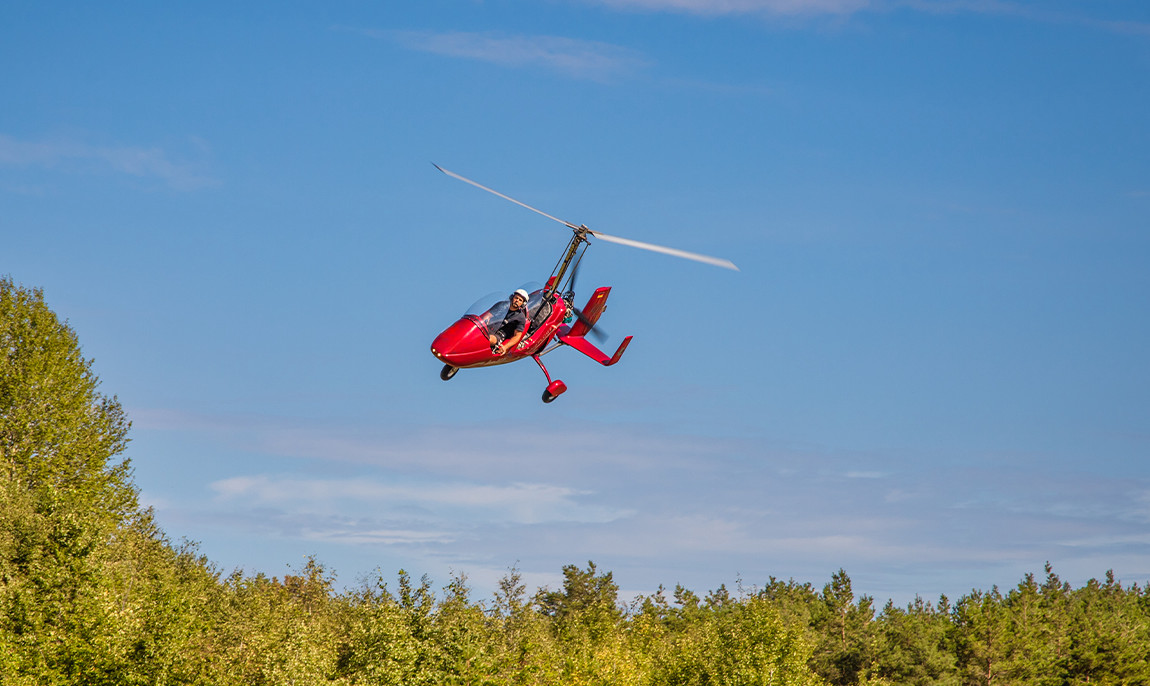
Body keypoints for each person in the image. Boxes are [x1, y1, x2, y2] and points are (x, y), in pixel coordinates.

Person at [489, 289, 529, 355]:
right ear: (512, 297)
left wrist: (505, 347)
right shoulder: (501, 305)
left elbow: (517, 336)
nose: (517, 301)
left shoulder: (520, 318)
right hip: (490, 327)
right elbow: (487, 316)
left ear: (523, 304)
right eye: (516, 298)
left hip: (499, 335)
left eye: (520, 300)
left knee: (489, 339)